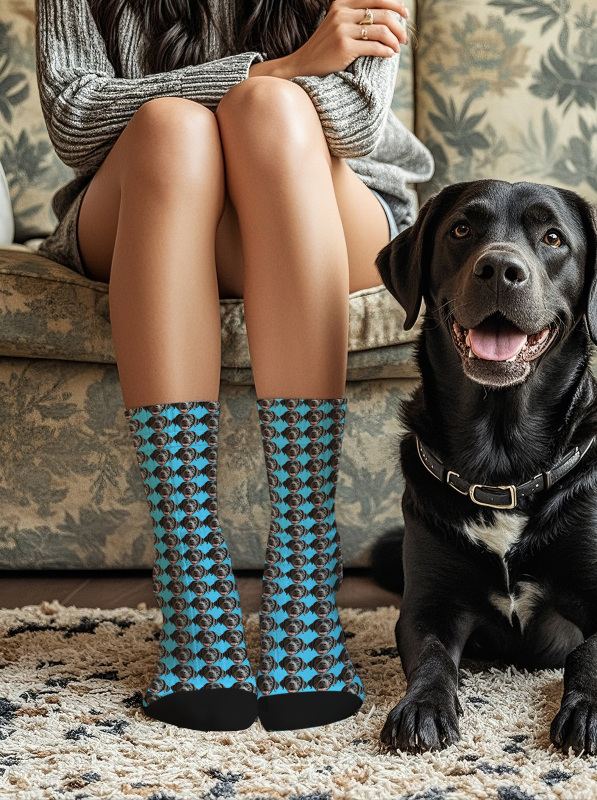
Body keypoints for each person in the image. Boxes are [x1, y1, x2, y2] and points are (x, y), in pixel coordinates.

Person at [34, 0, 435, 734]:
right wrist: (280, 66)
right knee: (171, 127)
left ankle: (304, 586)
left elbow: (355, 122)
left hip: (324, 205)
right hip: (147, 204)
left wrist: (268, 87)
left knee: (270, 111)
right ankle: (195, 596)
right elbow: (75, 117)